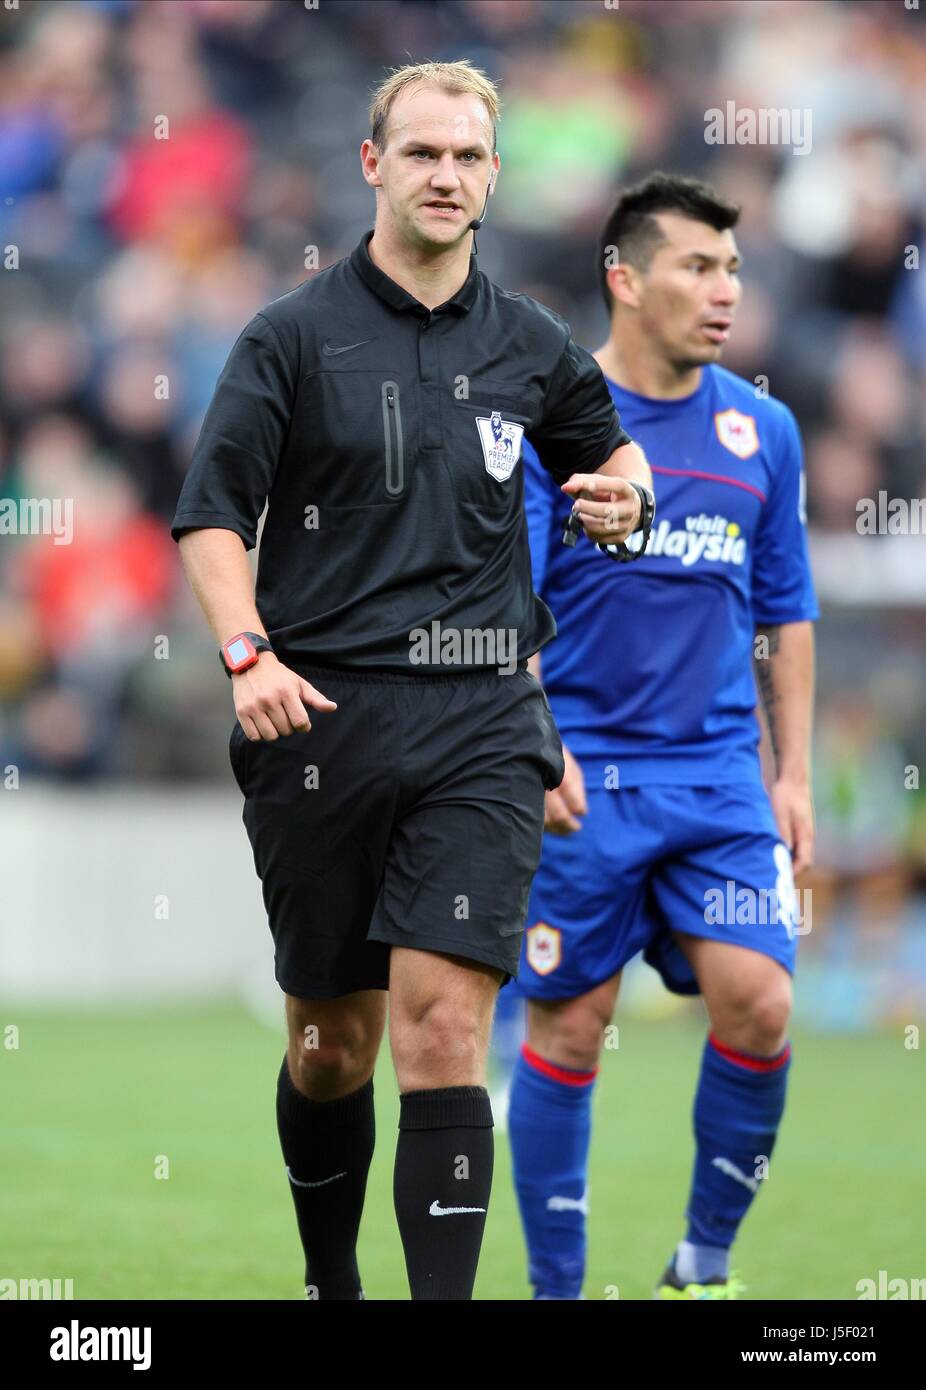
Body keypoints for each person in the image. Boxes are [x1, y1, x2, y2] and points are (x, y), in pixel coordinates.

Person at [169, 60, 651, 1301]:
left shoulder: (530, 341)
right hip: (318, 717)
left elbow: (618, 466)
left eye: (468, 156)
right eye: (422, 152)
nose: (446, 175)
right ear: (372, 165)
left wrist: (625, 503)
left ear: (494, 175)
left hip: (482, 717)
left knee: (444, 1029)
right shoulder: (289, 336)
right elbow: (213, 516)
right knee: (332, 1045)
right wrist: (245, 653)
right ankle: (330, 1281)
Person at [507, 172, 817, 1300]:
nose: (725, 289)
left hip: (718, 778)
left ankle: (702, 1263)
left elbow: (786, 609)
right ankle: (558, 1289)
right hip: (584, 773)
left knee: (761, 1002)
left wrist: (793, 774)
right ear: (626, 280)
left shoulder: (762, 429)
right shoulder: (556, 421)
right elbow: (510, 602)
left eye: (732, 267)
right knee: (570, 1025)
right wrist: (536, 739)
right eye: (697, 265)